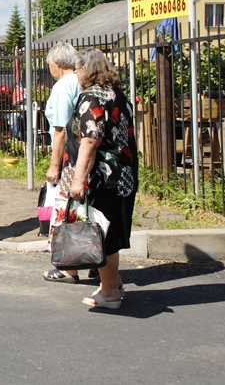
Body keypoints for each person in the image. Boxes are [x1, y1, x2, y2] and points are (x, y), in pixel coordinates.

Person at [60, 48, 138, 309]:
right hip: (123, 174)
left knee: (101, 232)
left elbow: (90, 141)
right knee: (111, 230)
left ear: (84, 69)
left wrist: (78, 179)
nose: (75, 74)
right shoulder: (117, 95)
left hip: (103, 177)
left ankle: (109, 292)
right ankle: (113, 284)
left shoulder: (92, 97)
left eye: (76, 69)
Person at [40, 42, 82, 283]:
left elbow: (60, 130)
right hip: (86, 157)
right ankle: (94, 260)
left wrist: (55, 165)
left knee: (65, 210)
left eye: (49, 65)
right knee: (84, 210)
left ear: (56, 64)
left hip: (70, 157)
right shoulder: (81, 81)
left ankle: (68, 267)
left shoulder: (62, 87)